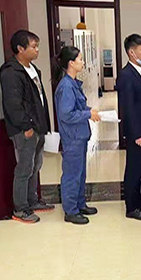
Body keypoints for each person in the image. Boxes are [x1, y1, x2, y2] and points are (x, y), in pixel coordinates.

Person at [0, 30, 54, 224]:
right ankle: (20, 208)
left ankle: (33, 200)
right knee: (24, 167)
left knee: (36, 165)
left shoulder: (33, 69)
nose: (37, 50)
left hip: (37, 125)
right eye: (33, 46)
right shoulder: (11, 72)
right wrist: (26, 126)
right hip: (25, 129)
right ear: (20, 49)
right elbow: (13, 104)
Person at [53, 46, 100, 225]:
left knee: (80, 173)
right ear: (71, 63)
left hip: (79, 136)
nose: (83, 62)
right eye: (80, 59)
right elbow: (66, 114)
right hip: (72, 138)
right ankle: (71, 211)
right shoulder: (66, 86)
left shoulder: (73, 83)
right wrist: (88, 114)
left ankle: (80, 204)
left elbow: (77, 107)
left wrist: (90, 111)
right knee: (72, 175)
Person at [117, 34, 141, 220]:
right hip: (137, 133)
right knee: (133, 169)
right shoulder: (126, 75)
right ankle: (131, 207)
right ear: (132, 52)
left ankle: (138, 200)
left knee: (139, 168)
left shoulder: (140, 71)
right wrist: (137, 133)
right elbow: (128, 107)